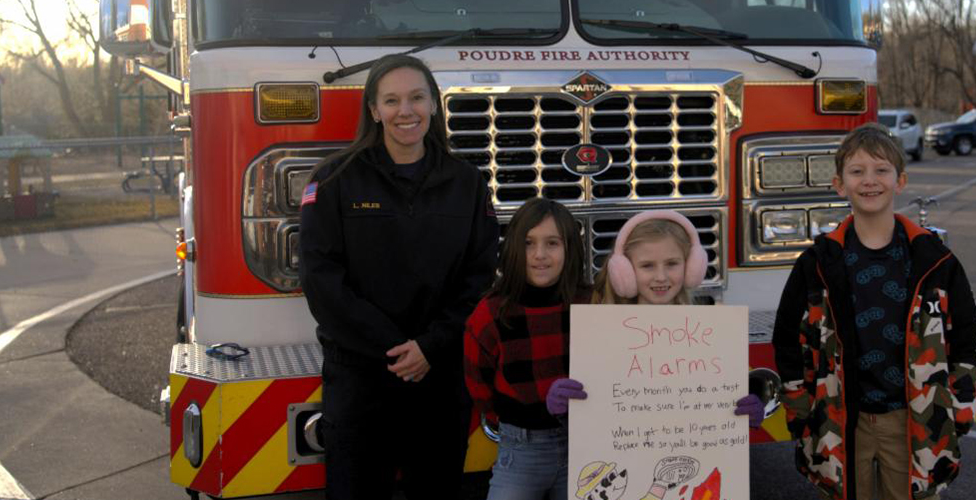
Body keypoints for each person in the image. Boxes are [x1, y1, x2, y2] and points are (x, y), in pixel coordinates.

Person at [299, 53, 498, 500]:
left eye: (416, 98)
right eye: (391, 100)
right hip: (361, 380)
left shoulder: (467, 183)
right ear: (373, 110)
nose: (405, 111)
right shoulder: (334, 182)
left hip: (439, 378)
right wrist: (392, 348)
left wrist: (430, 346)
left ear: (433, 105)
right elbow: (320, 279)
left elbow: (479, 276)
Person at [771, 123, 976, 500]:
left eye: (881, 170)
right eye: (857, 171)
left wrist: (961, 402)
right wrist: (800, 406)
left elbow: (965, 336)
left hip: (913, 422)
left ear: (900, 181)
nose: (870, 181)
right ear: (840, 184)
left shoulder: (935, 261)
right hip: (839, 422)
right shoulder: (817, 263)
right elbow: (788, 335)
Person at [547, 210, 766, 466]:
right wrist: (563, 405)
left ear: (690, 267)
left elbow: (715, 414)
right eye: (647, 266)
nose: (661, 277)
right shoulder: (600, 337)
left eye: (672, 263)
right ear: (624, 272)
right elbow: (592, 412)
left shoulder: (709, 339)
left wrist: (743, 414)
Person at [463, 198, 589, 500]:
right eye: (529, 243)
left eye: (553, 243)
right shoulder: (492, 312)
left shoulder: (590, 303)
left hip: (584, 445)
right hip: (521, 450)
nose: (539, 255)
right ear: (513, 249)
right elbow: (478, 383)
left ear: (570, 249)